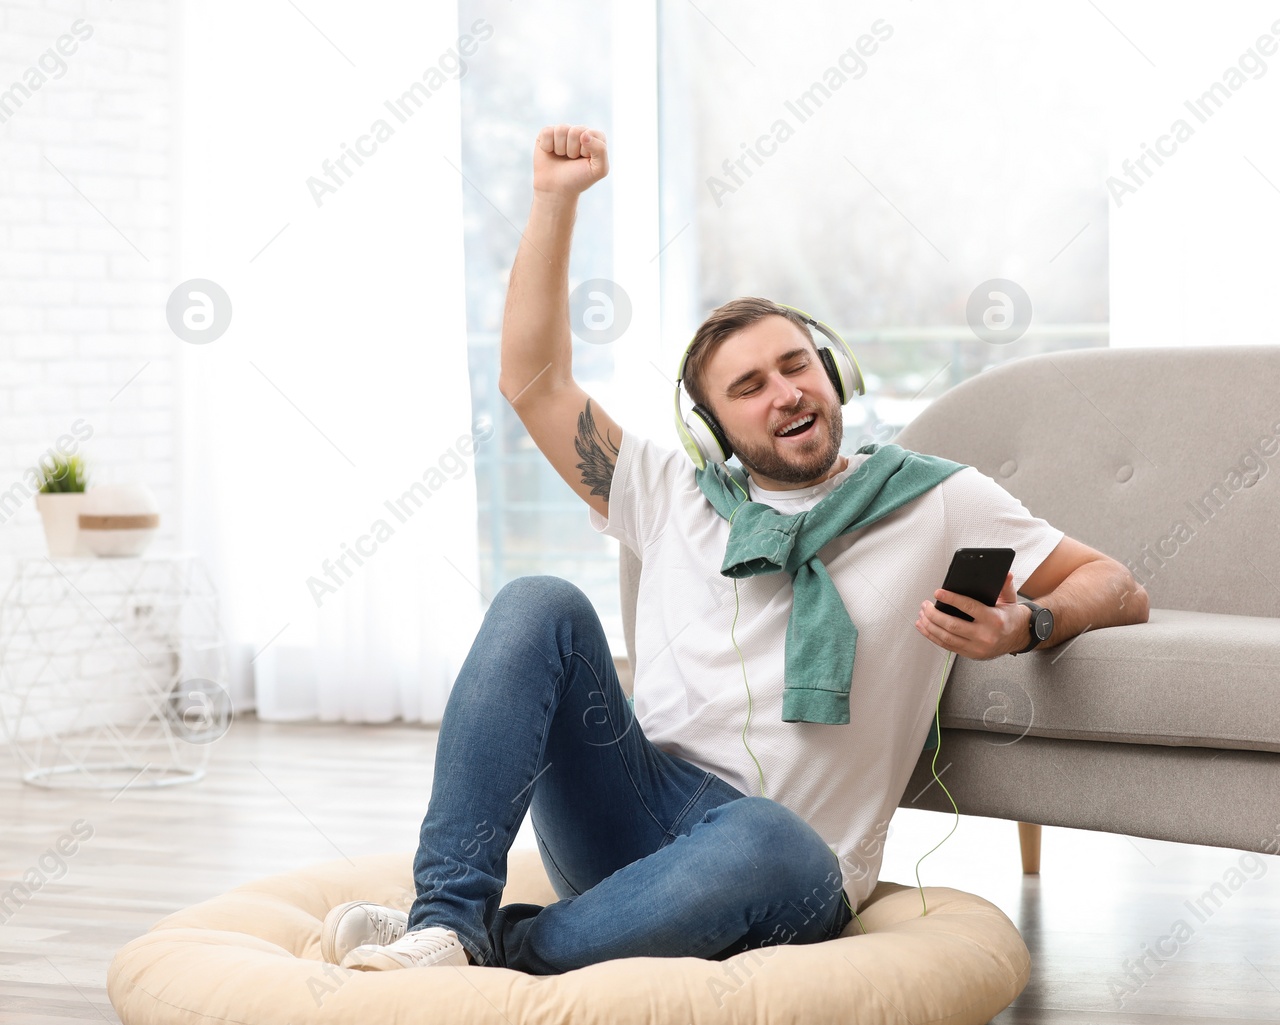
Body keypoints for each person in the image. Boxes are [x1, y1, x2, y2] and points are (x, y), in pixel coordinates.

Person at [319, 124, 1150, 975]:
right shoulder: (669, 491)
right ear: (711, 428)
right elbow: (533, 380)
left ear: (834, 374)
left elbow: (1116, 584)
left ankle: (497, 948)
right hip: (634, 816)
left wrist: (1027, 623)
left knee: (763, 833)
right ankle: (445, 920)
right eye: (748, 387)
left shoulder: (936, 498)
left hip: (785, 862)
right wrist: (554, 199)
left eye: (797, 366)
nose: (785, 393)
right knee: (540, 601)